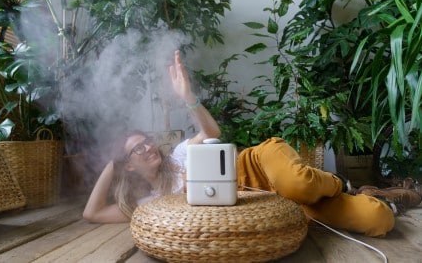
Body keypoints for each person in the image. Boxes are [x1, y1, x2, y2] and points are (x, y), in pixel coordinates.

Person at [83, 50, 421, 237]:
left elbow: (211, 131)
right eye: (136, 149)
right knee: (377, 221)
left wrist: (188, 98)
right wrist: (111, 161)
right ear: (128, 165)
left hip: (258, 165)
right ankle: (377, 196)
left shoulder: (179, 153)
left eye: (147, 141)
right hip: (262, 206)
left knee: (298, 181)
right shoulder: (148, 203)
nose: (148, 148)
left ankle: (338, 183)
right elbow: (93, 212)